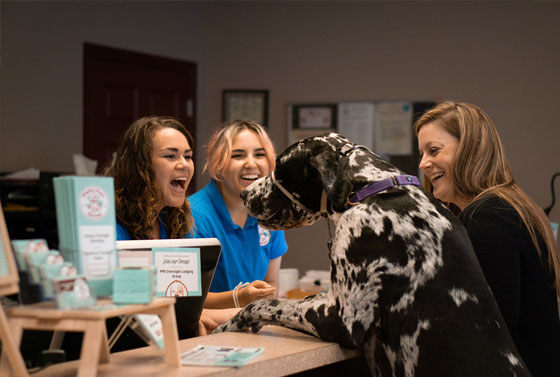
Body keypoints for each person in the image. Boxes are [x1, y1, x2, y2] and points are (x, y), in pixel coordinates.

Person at [415, 101, 560, 377]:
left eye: (433, 150)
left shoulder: (488, 217)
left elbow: (486, 331)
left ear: (470, 149)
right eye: (422, 152)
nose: (423, 163)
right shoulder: (508, 207)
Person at [103, 116, 242, 346]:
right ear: (140, 166)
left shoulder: (176, 221)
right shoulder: (110, 225)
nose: (184, 165)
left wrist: (253, 313)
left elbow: (186, 306)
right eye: (170, 156)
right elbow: (125, 310)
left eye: (187, 156)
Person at [189, 120, 288, 305]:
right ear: (218, 164)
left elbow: (271, 283)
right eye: (238, 155)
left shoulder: (270, 213)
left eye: (260, 154)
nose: (251, 164)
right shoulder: (194, 217)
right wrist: (239, 298)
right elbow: (184, 298)